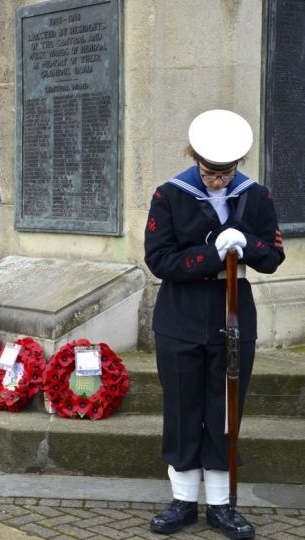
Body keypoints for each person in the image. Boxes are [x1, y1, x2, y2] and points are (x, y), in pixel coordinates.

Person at [144, 110, 285, 538]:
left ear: (237, 165)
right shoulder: (170, 195)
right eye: (210, 172)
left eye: (225, 173)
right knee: (183, 408)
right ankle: (184, 501)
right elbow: (158, 260)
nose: (218, 181)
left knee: (226, 412)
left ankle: (222, 505)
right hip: (180, 316)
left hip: (234, 316)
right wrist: (210, 254)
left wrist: (247, 243)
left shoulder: (256, 197)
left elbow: (273, 257)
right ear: (195, 158)